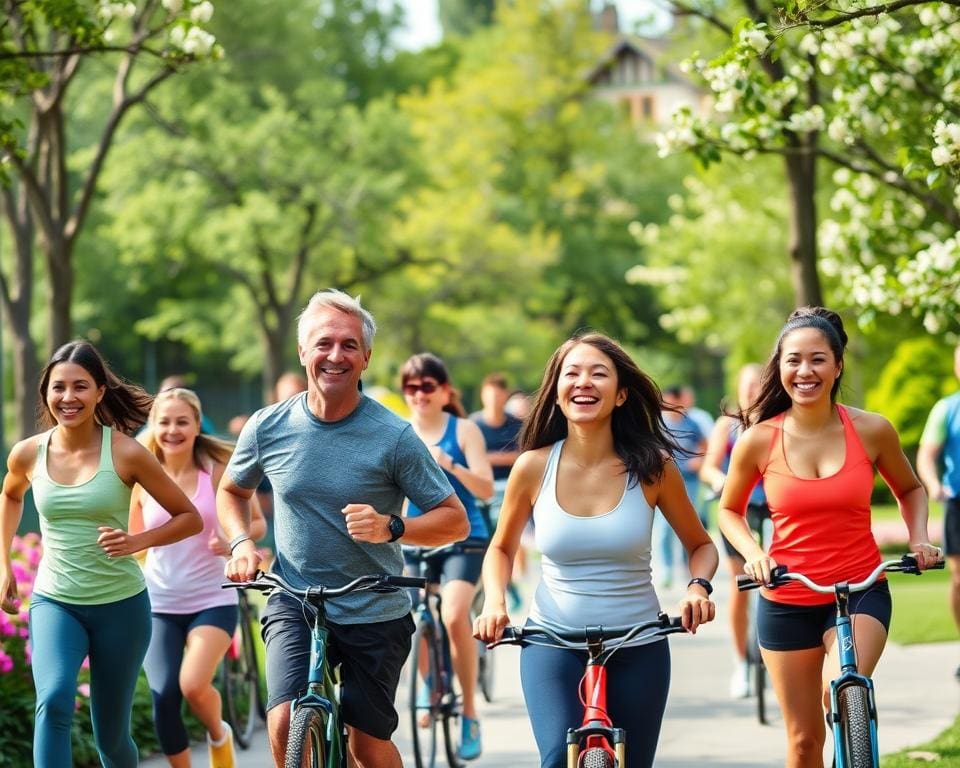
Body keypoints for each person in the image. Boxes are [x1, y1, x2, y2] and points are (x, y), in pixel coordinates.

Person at [218, 289, 468, 768]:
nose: (336, 355)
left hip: (374, 602)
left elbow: (453, 519)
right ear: (302, 352)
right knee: (286, 720)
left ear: (367, 357)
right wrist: (242, 542)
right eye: (324, 343)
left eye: (350, 345)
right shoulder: (268, 426)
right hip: (295, 596)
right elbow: (232, 490)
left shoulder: (394, 436)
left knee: (366, 746)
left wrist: (392, 527)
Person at [473, 332, 718, 768]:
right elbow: (500, 550)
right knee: (555, 758)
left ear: (621, 393)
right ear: (557, 391)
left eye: (598, 373)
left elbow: (700, 545)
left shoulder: (652, 467)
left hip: (638, 641)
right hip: (551, 641)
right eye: (573, 373)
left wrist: (697, 588)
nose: (584, 382)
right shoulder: (532, 466)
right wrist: (495, 603)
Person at [717, 307, 943, 768]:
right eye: (793, 360)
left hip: (861, 590)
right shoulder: (758, 439)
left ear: (838, 366)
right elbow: (728, 511)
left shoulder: (872, 429)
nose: (805, 371)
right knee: (803, 742)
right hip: (787, 597)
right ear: (779, 367)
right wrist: (756, 554)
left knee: (841, 685)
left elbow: (911, 489)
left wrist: (918, 536)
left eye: (818, 359)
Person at [0, 340, 202, 768]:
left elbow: (188, 517)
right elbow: (10, 495)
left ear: (99, 392)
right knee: (53, 701)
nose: (68, 398)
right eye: (58, 388)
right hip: (56, 601)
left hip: (121, 608)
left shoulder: (127, 452)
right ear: (46, 393)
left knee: (111, 737)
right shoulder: (28, 453)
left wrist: (137, 542)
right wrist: (3, 565)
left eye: (80, 387)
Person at [130, 388, 267, 768]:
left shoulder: (218, 469)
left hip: (213, 597)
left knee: (192, 684)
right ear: (153, 426)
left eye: (181, 421)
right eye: (164, 421)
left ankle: (219, 734)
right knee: (163, 696)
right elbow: (136, 542)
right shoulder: (141, 476)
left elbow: (256, 522)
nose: (172, 430)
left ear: (196, 425)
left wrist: (231, 540)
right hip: (159, 601)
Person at [402, 353, 494, 760]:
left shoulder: (464, 430)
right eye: (411, 387)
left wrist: (450, 464)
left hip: (464, 536)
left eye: (427, 386)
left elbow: (487, 489)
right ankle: (429, 681)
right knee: (410, 615)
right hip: (412, 540)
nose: (419, 395)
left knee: (456, 614)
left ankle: (470, 713)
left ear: (444, 391)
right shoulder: (397, 432)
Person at [699, 363, 769, 698]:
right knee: (740, 584)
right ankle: (741, 661)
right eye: (748, 385)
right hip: (738, 510)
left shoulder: (777, 422)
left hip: (775, 510)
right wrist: (722, 482)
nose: (753, 391)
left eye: (759, 384)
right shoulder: (727, 426)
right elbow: (709, 467)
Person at [917, 342, 960, 679]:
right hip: (957, 501)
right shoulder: (946, 409)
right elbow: (927, 454)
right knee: (959, 578)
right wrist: (933, 484)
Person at [470, 372, 524, 608]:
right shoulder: (473, 424)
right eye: (490, 395)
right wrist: (502, 458)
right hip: (479, 488)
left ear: (504, 396)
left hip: (509, 488)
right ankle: (502, 586)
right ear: (483, 396)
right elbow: (469, 459)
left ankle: (507, 587)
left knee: (500, 537)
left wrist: (489, 458)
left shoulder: (516, 424)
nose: (494, 400)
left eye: (498, 395)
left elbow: (525, 455)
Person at [652, 385, 707, 587]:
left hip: (689, 481)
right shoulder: (659, 424)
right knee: (664, 528)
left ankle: (689, 567)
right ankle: (666, 569)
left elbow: (704, 446)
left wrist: (699, 460)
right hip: (662, 482)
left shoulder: (691, 423)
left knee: (688, 526)